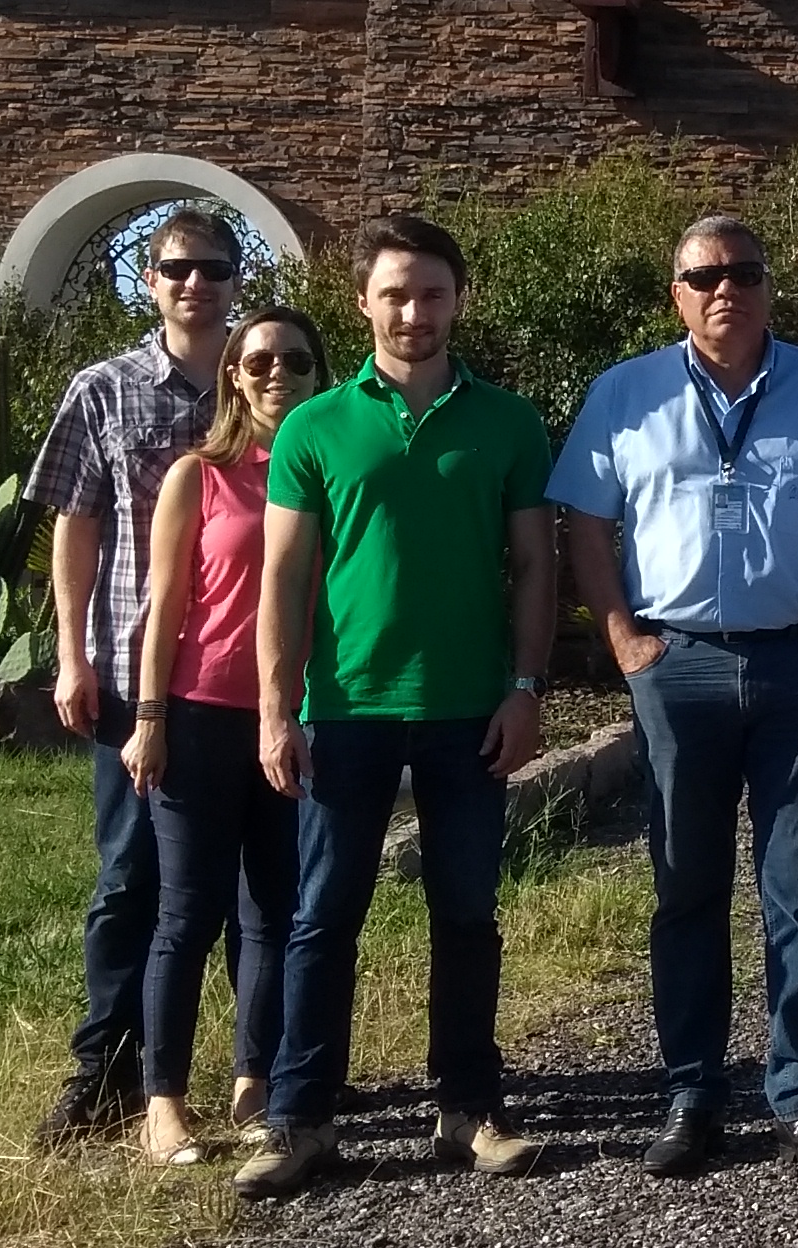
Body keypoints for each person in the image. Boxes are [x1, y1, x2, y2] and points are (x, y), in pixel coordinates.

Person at [553, 214, 798, 1185]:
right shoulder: (626, 394)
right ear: (678, 294)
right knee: (686, 890)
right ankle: (692, 1093)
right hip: (679, 669)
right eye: (703, 277)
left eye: (743, 273)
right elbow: (584, 521)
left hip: (796, 668)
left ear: (768, 287)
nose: (724, 291)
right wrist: (623, 640)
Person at [236, 213, 557, 1198]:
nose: (413, 312)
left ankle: (468, 1108)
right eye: (395, 295)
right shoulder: (314, 426)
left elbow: (535, 566)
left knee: (466, 914)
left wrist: (526, 690)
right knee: (323, 917)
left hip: (469, 709)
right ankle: (299, 1119)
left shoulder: (508, 423)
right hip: (345, 709)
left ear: (458, 302)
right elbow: (283, 578)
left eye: (431, 294)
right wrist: (275, 711)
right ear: (362, 304)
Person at [26, 203, 241, 1144]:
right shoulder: (104, 390)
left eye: (213, 268)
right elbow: (75, 524)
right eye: (177, 268)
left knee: (254, 888)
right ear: (149, 281)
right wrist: (70, 654)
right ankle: (106, 1070)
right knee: (130, 876)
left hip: (243, 677)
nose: (195, 283)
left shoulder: (262, 379)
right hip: (131, 674)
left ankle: (261, 1071)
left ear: (236, 280)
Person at [117, 305, 325, 1166]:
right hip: (201, 713)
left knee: (274, 911)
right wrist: (149, 718)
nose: (279, 374)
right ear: (234, 376)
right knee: (187, 913)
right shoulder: (198, 476)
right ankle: (162, 1103)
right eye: (260, 361)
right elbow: (164, 606)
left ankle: (254, 1081)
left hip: (296, 719)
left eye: (297, 361)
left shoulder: (326, 472)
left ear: (319, 376)